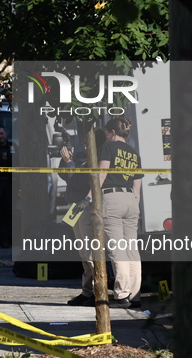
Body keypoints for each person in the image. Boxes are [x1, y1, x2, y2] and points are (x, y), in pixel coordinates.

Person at [97, 117, 143, 309]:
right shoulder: (134, 153)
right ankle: (135, 294)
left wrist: (91, 198)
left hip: (112, 198)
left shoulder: (109, 147)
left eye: (107, 133)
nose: (106, 137)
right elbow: (137, 186)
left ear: (113, 132)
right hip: (131, 201)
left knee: (117, 249)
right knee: (132, 249)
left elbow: (102, 174)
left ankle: (122, 294)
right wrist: (135, 205)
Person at [58, 129, 106, 306]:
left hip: (85, 206)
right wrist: (67, 161)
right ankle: (87, 290)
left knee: (89, 249)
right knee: (82, 250)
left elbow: (79, 181)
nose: (84, 146)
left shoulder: (96, 160)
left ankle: (95, 290)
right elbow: (65, 176)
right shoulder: (83, 158)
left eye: (88, 143)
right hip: (75, 206)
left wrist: (70, 163)